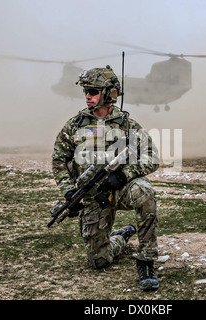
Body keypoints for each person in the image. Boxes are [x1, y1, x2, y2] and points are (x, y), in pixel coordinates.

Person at [52, 65, 160, 291]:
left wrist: (124, 175)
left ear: (109, 94)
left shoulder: (127, 124)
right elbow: (59, 161)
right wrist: (69, 191)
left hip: (120, 190)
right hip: (93, 196)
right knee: (98, 262)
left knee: (144, 191)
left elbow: (153, 157)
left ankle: (146, 260)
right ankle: (121, 236)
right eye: (85, 92)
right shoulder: (74, 126)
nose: (87, 97)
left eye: (92, 91)